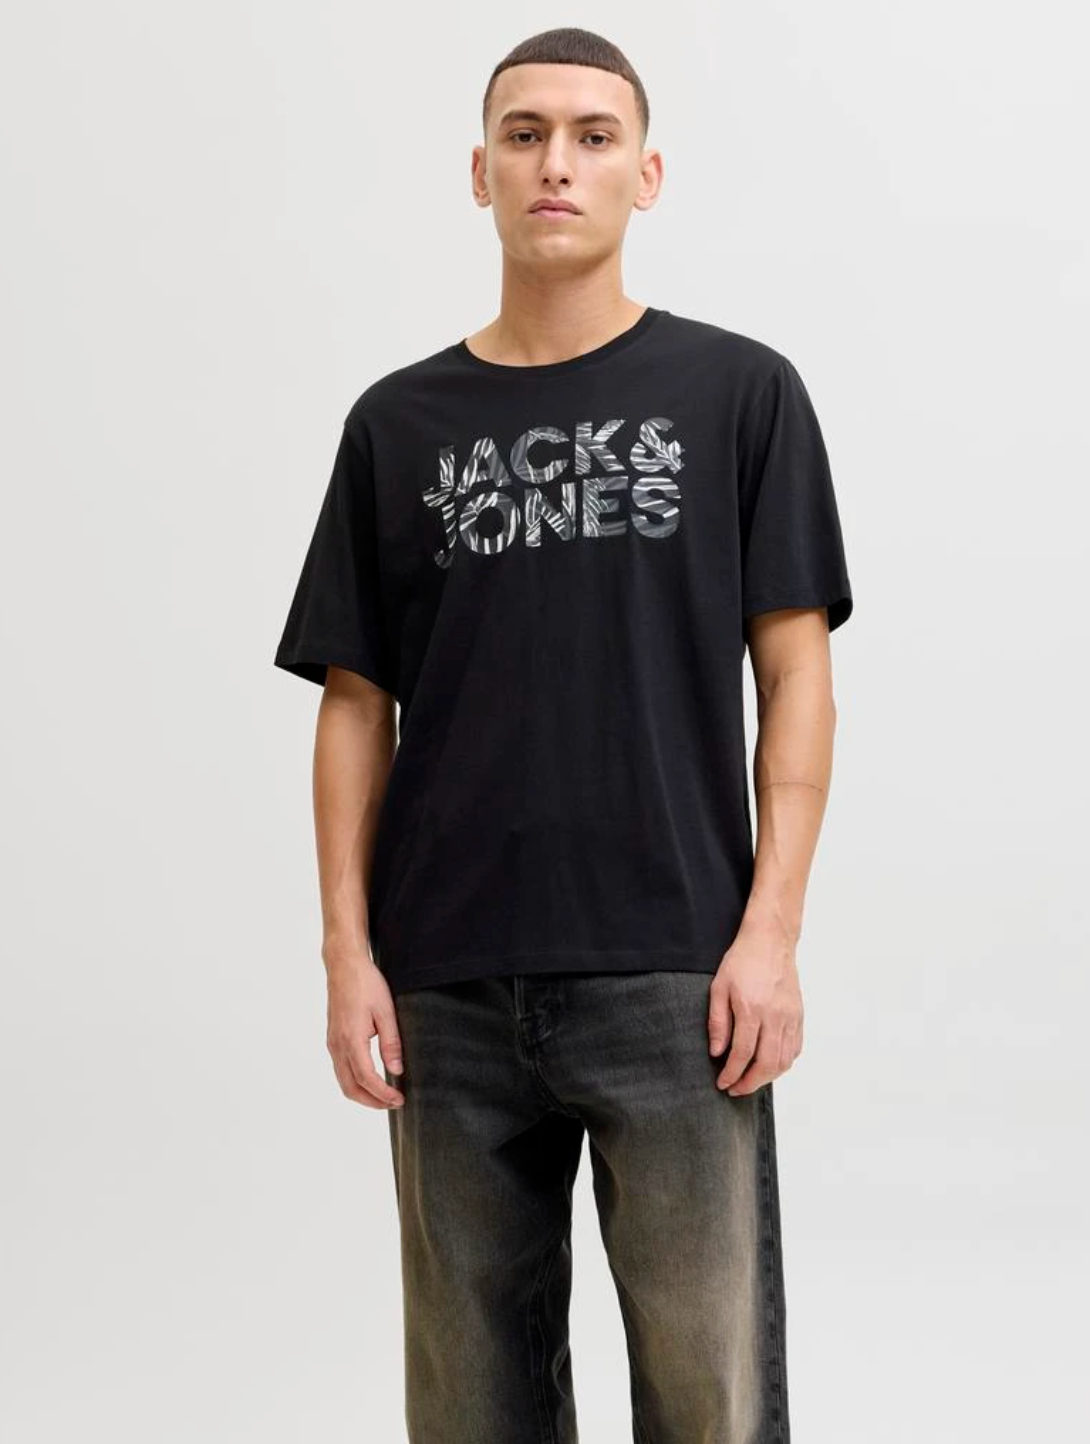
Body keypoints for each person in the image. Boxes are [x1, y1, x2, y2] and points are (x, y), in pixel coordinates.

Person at [273, 25, 853, 1444]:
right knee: (469, 1409)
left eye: (594, 137)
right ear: (478, 171)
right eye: (525, 134)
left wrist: (771, 934)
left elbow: (796, 677)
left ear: (645, 175)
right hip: (447, 984)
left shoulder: (739, 395)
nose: (557, 164)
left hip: (676, 976)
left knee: (708, 1401)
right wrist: (348, 954)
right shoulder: (397, 424)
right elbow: (354, 704)